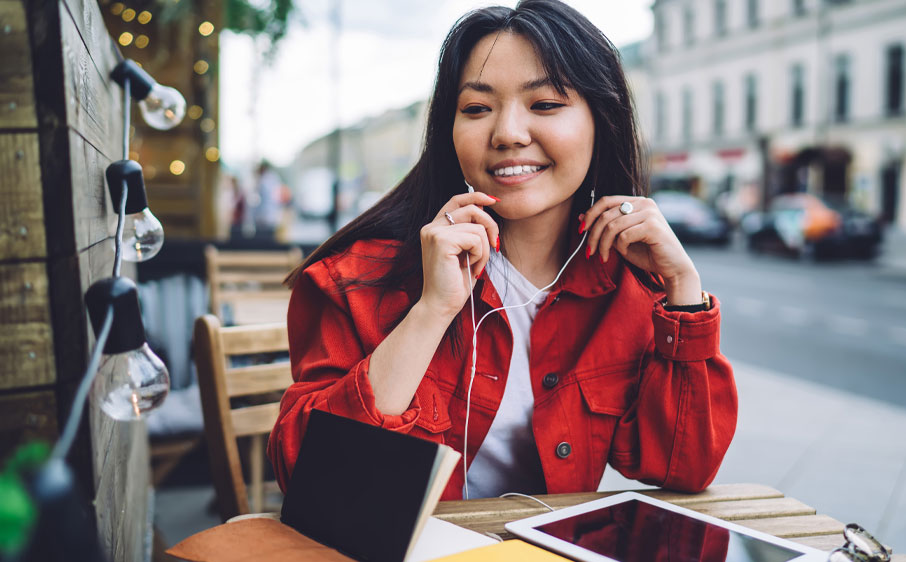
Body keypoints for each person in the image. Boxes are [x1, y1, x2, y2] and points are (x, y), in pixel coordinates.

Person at [269, 0, 737, 501]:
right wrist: (431, 311)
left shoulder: (625, 286)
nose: (508, 133)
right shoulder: (354, 280)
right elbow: (310, 481)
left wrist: (683, 294)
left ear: (602, 122)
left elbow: (681, 468)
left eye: (545, 105)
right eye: (476, 108)